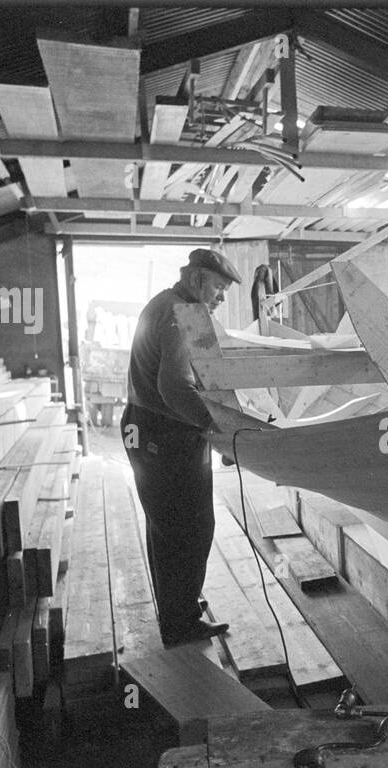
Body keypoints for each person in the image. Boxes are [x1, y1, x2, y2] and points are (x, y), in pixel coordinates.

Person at [121, 248, 242, 645]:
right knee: (189, 527)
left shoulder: (168, 303)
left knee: (168, 525)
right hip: (165, 433)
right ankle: (180, 623)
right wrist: (216, 427)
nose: (222, 297)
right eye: (219, 287)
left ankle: (177, 607)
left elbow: (200, 376)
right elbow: (174, 387)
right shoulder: (180, 314)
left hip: (151, 426)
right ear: (196, 280)